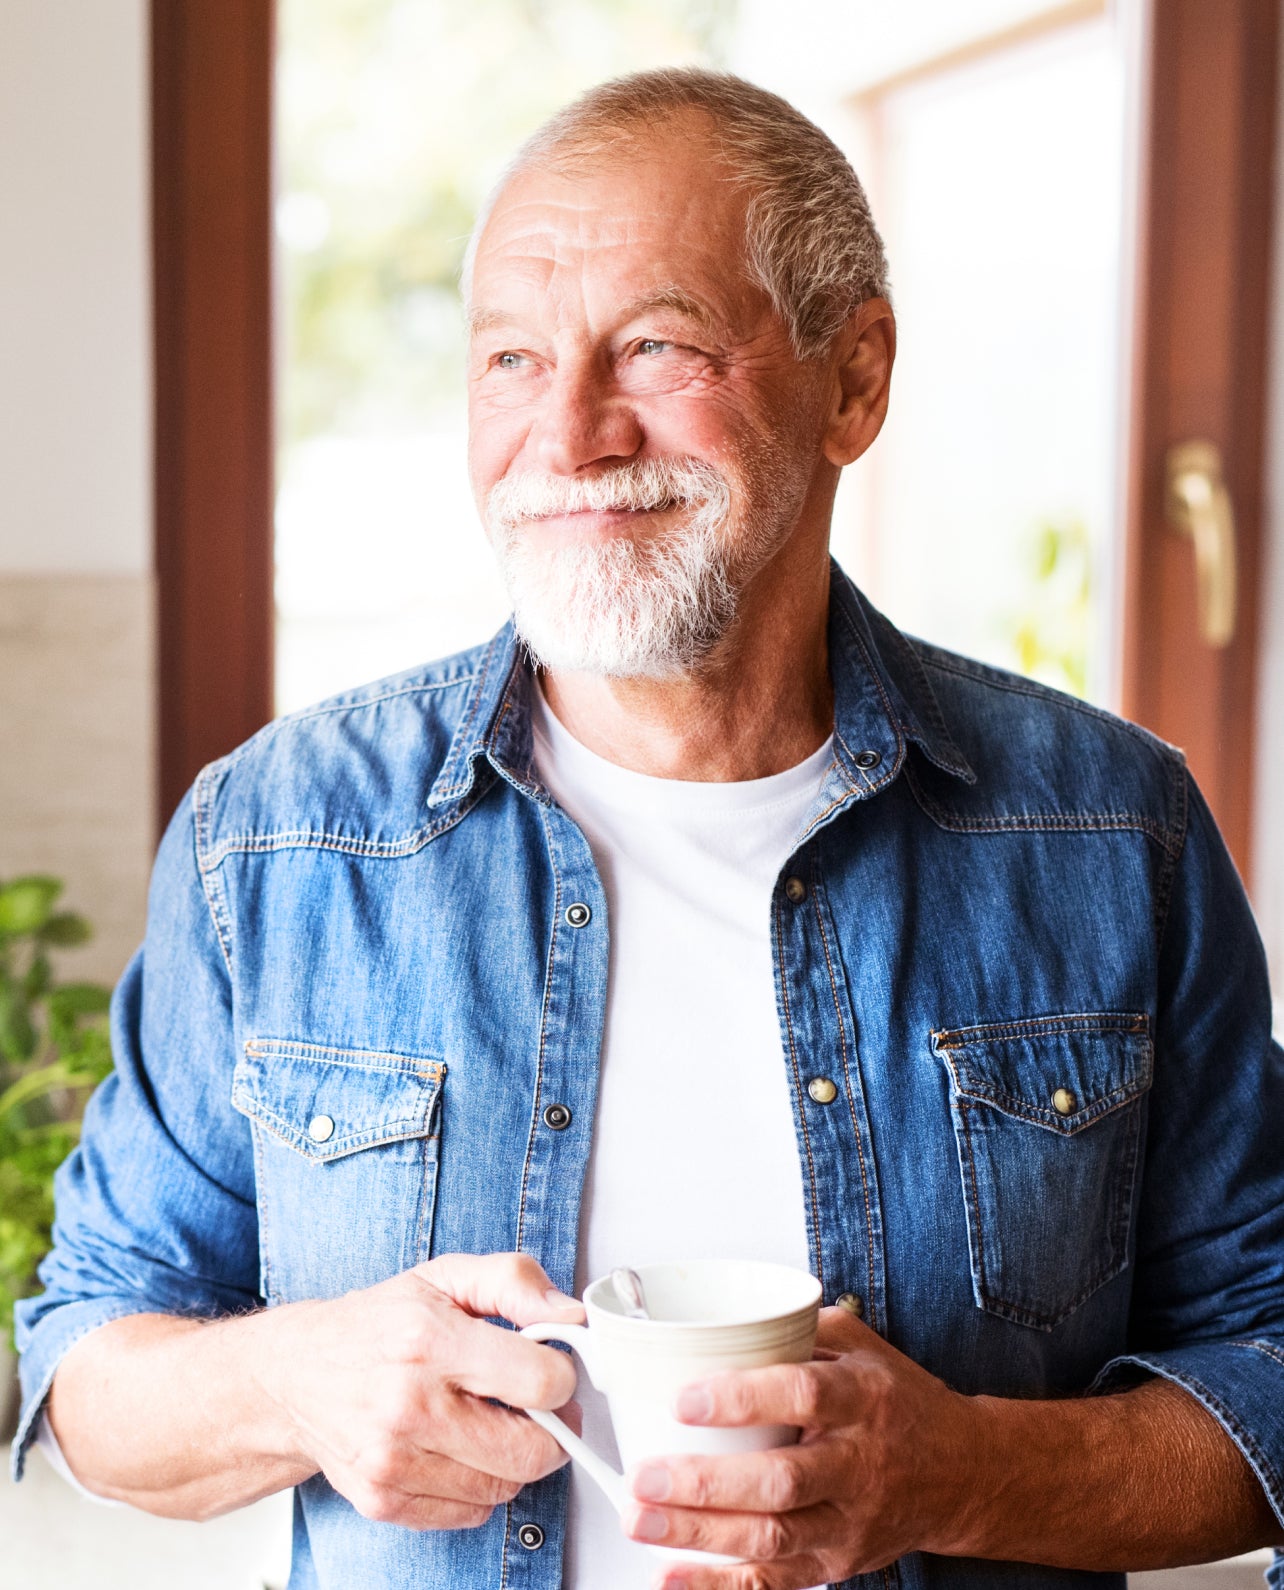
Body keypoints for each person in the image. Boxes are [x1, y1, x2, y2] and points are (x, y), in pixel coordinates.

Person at [12, 68, 1284, 1590]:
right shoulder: (275, 839)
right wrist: (292, 1381)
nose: (568, 433)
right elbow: (88, 1368)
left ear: (855, 377)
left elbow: (1266, 1374)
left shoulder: (1109, 831)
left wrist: (963, 1472)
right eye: (508, 359)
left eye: (658, 347)